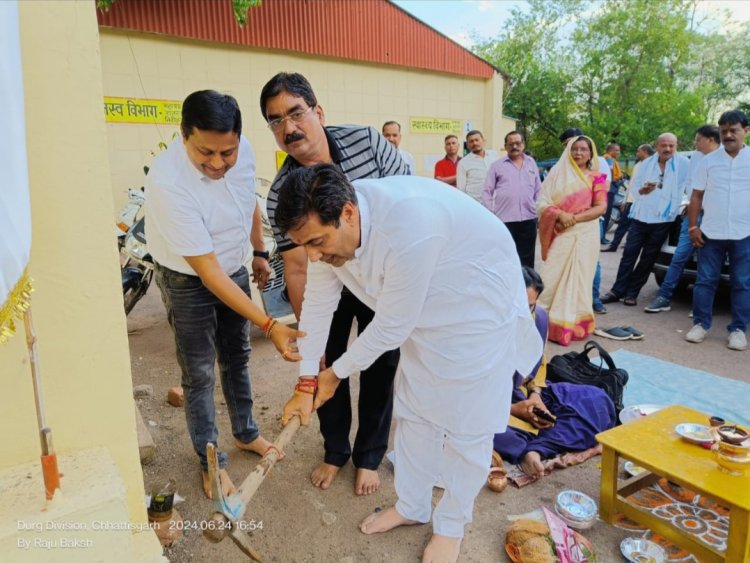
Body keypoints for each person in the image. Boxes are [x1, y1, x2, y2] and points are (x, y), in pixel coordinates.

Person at [276, 165, 542, 563]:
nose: (313, 255)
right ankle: (413, 505)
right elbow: (316, 308)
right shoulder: (327, 233)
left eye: (317, 242)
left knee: (468, 430)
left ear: (348, 213)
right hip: (425, 311)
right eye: (305, 246)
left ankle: (451, 526)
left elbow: (392, 327)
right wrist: (306, 383)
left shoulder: (409, 223)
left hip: (478, 313)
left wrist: (333, 375)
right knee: (416, 413)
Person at [144, 90, 302, 499]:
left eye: (226, 153)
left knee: (238, 356)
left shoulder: (243, 150)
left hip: (231, 264)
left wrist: (259, 251)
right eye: (205, 153)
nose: (217, 163)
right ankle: (210, 462)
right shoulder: (167, 181)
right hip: (188, 278)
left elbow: (246, 198)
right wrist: (268, 322)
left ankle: (246, 433)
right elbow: (208, 273)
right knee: (199, 373)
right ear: (183, 136)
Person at [260, 72, 409, 495]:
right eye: (275, 121)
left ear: (318, 111)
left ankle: (369, 456)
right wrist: (312, 338)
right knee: (327, 365)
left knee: (381, 364)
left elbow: (407, 198)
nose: (288, 128)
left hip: (381, 275)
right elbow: (298, 265)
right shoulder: (280, 194)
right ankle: (335, 451)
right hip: (327, 278)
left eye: (296, 113)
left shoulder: (367, 142)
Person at [492, 267, 616, 480]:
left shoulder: (538, 318)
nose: (525, 312)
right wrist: (513, 409)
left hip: (525, 395)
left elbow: (539, 364)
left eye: (530, 306)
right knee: (475, 430)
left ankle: (535, 449)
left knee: (598, 400)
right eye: (518, 305)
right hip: (489, 407)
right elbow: (459, 393)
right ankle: (535, 446)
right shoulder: (481, 326)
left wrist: (536, 395)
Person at [685, 109, 750, 351]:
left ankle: (738, 330)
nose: (729, 135)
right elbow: (696, 195)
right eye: (724, 131)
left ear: (746, 131)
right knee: (705, 281)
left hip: (745, 234)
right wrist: (693, 226)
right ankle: (700, 324)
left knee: (742, 283)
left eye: (734, 130)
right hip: (711, 233)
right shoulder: (709, 161)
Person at [601, 133, 689, 307]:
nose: (668, 149)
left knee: (648, 258)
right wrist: (643, 190)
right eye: (664, 145)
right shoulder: (645, 165)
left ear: (676, 146)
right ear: (656, 147)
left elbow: (692, 186)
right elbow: (635, 188)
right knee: (628, 255)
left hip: (664, 219)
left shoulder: (684, 164)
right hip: (641, 217)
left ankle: (632, 293)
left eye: (671, 145)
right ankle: (617, 290)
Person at [537, 135, 608, 345]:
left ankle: (572, 325)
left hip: (585, 233)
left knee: (580, 278)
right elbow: (541, 201)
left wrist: (573, 218)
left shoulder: (598, 177)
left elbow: (601, 207)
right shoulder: (556, 175)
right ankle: (540, 321)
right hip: (561, 230)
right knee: (550, 273)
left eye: (583, 149)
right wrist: (559, 215)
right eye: (574, 149)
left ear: (590, 153)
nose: (578, 153)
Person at [645, 126, 720, 312]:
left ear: (710, 139)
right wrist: (692, 203)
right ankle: (664, 296)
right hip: (694, 215)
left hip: (715, 217)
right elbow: (690, 183)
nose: (696, 142)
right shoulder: (695, 157)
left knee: (706, 261)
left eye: (699, 139)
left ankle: (701, 306)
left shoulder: (725, 157)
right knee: (679, 256)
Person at [482, 131, 542, 268]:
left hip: (529, 217)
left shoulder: (531, 163)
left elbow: (538, 189)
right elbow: (487, 191)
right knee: (505, 256)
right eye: (511, 144)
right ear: (505, 146)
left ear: (523, 144)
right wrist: (491, 213)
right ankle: (508, 288)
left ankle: (526, 287)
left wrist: (537, 209)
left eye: (518, 143)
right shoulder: (497, 166)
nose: (515, 146)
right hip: (505, 219)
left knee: (527, 258)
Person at [604, 144, 656, 252]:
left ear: (645, 152)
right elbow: (631, 185)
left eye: (638, 151)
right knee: (623, 225)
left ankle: (630, 246)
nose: (636, 154)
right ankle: (614, 245)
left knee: (638, 228)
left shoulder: (654, 165)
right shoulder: (638, 165)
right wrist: (624, 201)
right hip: (630, 201)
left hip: (643, 202)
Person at [456, 129, 499, 203]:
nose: (474, 143)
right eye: (471, 141)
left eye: (477, 140)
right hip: (476, 204)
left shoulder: (494, 155)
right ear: (468, 145)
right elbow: (461, 189)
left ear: (483, 141)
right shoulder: (463, 163)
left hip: (495, 203)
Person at [600, 143, 624, 244]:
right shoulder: (609, 159)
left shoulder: (606, 159)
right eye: (617, 150)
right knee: (606, 214)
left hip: (607, 188)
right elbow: (609, 172)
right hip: (609, 189)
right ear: (611, 151)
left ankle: (602, 236)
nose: (618, 153)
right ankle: (602, 237)